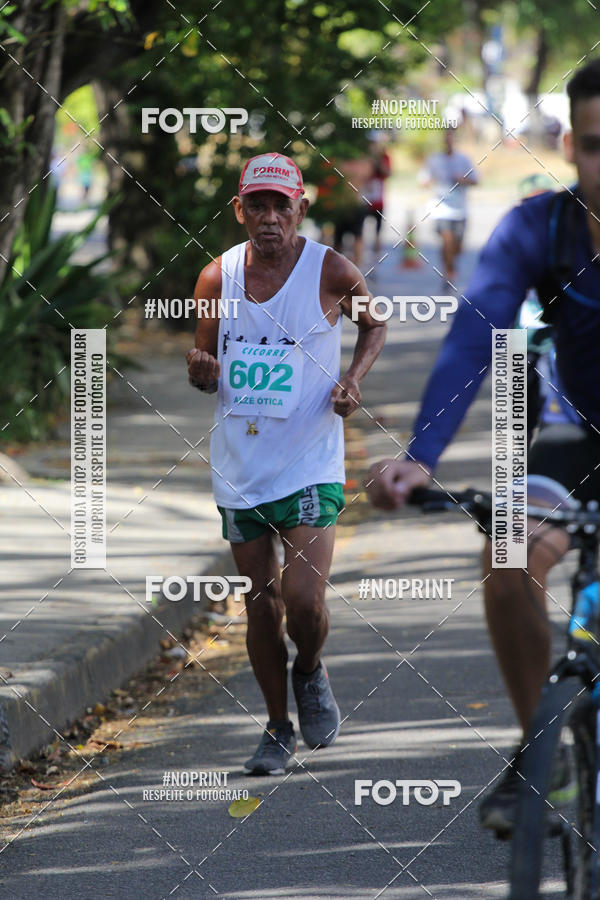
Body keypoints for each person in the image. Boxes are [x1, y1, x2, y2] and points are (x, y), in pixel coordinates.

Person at [366, 58, 600, 834]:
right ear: (571, 142)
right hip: (577, 444)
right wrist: (420, 456)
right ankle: (547, 754)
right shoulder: (543, 226)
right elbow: (475, 339)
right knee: (506, 549)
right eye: (597, 146)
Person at [186, 152, 386, 775]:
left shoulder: (330, 271)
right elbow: (204, 363)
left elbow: (374, 326)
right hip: (241, 466)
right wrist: (199, 371)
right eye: (259, 205)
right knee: (261, 602)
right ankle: (276, 727)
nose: (271, 218)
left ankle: (309, 668)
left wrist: (352, 380)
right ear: (239, 211)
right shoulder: (216, 279)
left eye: (283, 205)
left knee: (303, 601)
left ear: (301, 209)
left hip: (311, 461)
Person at [420, 127, 479, 284]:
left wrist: (462, 180)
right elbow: (423, 181)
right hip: (441, 209)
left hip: (460, 209)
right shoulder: (434, 159)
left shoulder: (464, 159)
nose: (449, 142)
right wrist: (430, 180)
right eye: (446, 139)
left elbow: (476, 180)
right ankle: (448, 272)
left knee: (457, 246)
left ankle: (451, 266)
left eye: (451, 139)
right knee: (446, 240)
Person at [364, 136, 392, 254]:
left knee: (378, 231)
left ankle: (375, 259)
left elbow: (387, 173)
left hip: (378, 200)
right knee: (361, 230)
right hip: (364, 199)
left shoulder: (384, 157)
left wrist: (377, 160)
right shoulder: (363, 156)